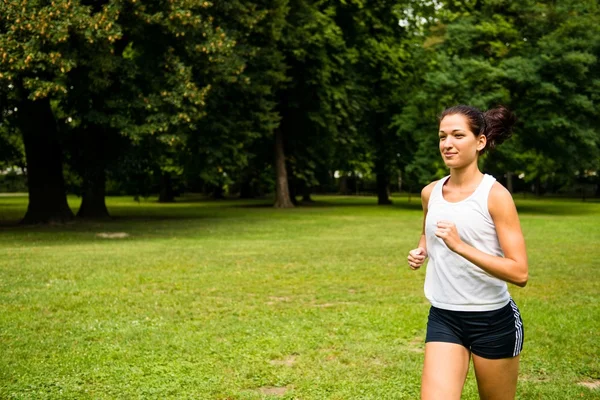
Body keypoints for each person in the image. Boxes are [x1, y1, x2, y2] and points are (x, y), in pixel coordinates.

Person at [407, 105, 528, 400]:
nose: (447, 144)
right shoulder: (430, 193)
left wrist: (460, 247)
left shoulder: (496, 196)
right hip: (445, 316)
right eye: (442, 136)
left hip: (493, 320)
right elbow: (427, 230)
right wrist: (422, 249)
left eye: (458, 135)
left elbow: (519, 272)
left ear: (480, 142)